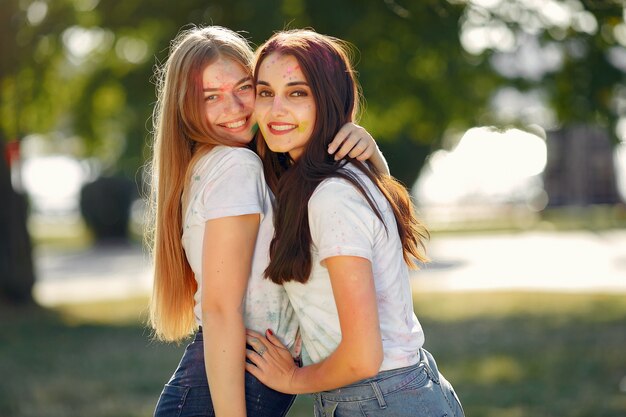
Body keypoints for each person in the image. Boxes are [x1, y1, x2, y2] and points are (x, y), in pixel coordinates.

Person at [146, 26, 388, 417]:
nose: (235, 108)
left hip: (223, 382)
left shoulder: (219, 163)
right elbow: (221, 310)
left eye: (244, 88)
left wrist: (370, 155)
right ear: (185, 106)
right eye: (211, 97)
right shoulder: (236, 166)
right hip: (226, 390)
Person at [245, 29, 465, 417]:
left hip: (380, 399)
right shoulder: (325, 182)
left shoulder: (333, 196)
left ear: (329, 100)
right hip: (389, 394)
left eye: (298, 93)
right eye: (265, 92)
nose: (275, 110)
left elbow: (363, 356)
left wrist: (292, 380)